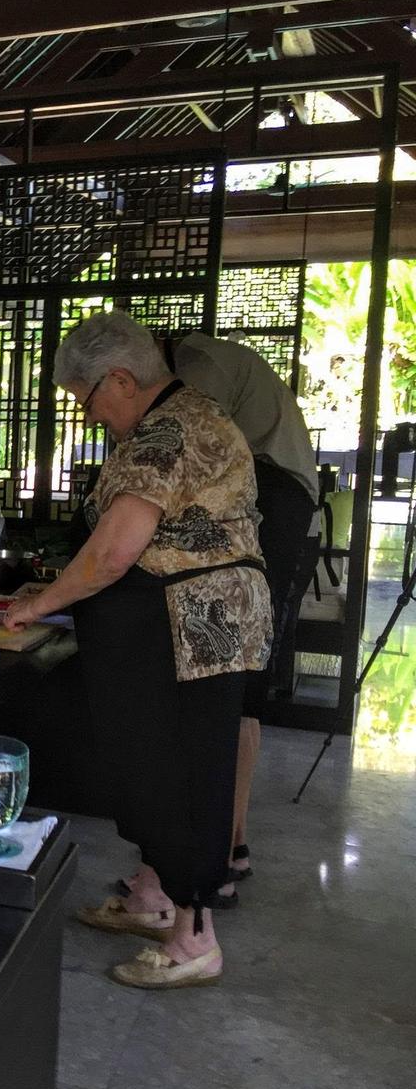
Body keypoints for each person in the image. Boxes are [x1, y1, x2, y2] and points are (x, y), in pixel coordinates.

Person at [5, 311, 271, 990]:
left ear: (120, 379)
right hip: (189, 624)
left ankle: (194, 939)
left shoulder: (167, 432)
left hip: (189, 628)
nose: (91, 415)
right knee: (151, 762)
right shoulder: (187, 414)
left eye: (88, 400)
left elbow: (117, 550)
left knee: (181, 771)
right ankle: (156, 899)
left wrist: (39, 603)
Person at [162, 331, 319, 898]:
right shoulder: (210, 359)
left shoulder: (197, 366)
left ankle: (220, 852)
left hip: (277, 496)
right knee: (235, 679)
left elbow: (194, 447)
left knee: (230, 676)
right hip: (275, 494)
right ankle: (231, 845)